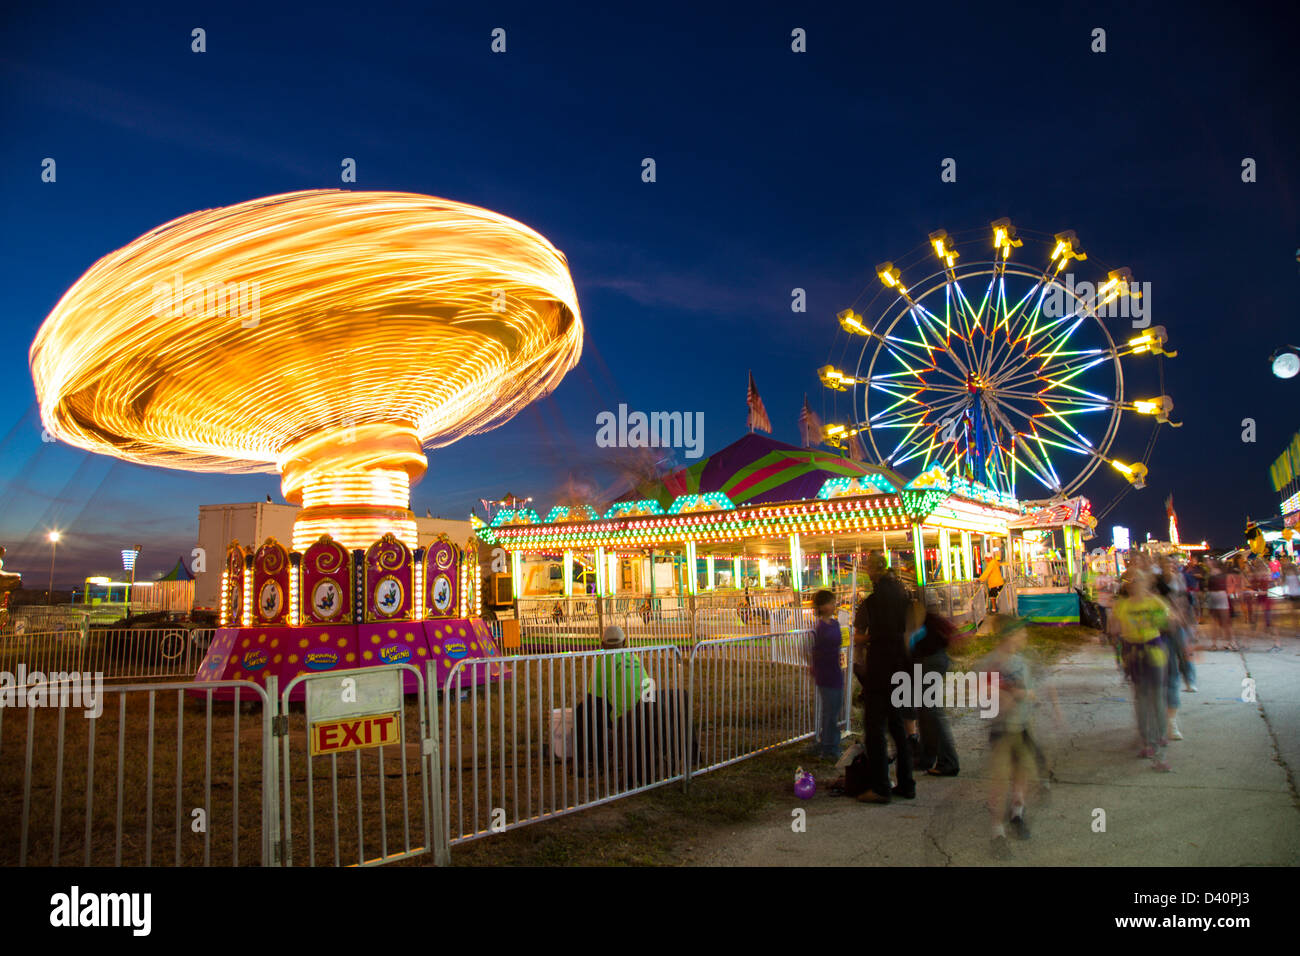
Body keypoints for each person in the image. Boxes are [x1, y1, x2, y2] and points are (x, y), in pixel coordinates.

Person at [852, 553, 915, 804]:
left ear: (871, 572)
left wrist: (866, 640)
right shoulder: (903, 595)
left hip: (880, 668)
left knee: (875, 728)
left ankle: (880, 787)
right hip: (902, 664)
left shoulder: (873, 602)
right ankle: (907, 783)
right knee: (898, 726)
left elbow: (863, 635)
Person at [978, 616, 1042, 853]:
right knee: (1001, 778)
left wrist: (1027, 696)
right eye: (1021, 632)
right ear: (1009, 636)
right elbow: (984, 695)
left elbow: (1030, 692)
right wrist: (1007, 696)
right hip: (1002, 731)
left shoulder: (1022, 663)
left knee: (1022, 772)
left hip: (1023, 726)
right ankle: (997, 829)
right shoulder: (992, 664)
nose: (1025, 636)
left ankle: (1017, 811)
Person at [1114, 569, 1173, 772]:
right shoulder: (1122, 606)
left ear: (1146, 583)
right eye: (1131, 581)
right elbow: (1118, 631)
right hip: (1134, 654)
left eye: (1138, 580)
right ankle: (1146, 741)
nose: (1134, 584)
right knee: (1140, 698)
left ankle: (1160, 745)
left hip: (1153, 652)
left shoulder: (1155, 602)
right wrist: (1122, 654)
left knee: (1156, 697)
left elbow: (1166, 622)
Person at [911, 608, 960, 776]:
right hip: (934, 659)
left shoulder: (908, 613)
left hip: (928, 661)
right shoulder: (916, 609)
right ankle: (927, 757)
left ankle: (948, 761)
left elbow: (909, 641)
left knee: (931, 711)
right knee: (925, 711)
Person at [806, 589, 845, 761]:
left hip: (835, 669)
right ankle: (831, 747)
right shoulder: (817, 627)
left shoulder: (835, 624)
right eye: (830, 602)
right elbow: (810, 649)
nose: (834, 605)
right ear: (822, 606)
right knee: (831, 710)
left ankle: (827, 742)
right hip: (825, 670)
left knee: (833, 708)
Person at [978, 549, 1006, 614]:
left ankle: (994, 609)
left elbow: (987, 572)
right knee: (997, 596)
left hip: (995, 583)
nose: (986, 560)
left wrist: (980, 579)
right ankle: (998, 608)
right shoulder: (994, 562)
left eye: (986, 558)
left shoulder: (991, 563)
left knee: (992, 597)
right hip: (998, 582)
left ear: (989, 558)